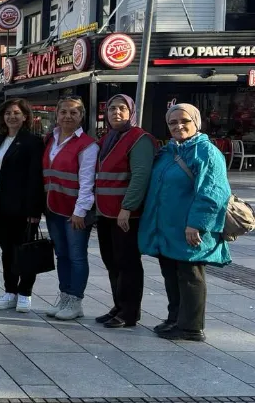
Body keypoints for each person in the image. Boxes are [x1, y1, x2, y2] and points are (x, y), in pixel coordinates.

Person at [139, 103, 231, 342]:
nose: (179, 126)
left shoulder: (206, 152)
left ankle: (191, 327)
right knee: (171, 274)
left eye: (184, 121)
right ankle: (175, 318)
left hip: (190, 229)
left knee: (190, 276)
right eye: (173, 122)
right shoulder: (169, 151)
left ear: (196, 122)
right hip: (167, 228)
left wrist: (197, 224)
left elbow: (213, 192)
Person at [94, 95, 156, 329]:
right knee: (111, 261)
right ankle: (119, 306)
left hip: (125, 214)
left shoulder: (139, 139)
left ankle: (129, 312)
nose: (116, 112)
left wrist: (127, 208)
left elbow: (140, 176)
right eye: (112, 108)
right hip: (105, 212)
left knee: (127, 263)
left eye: (122, 108)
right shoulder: (109, 137)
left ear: (131, 112)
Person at [42, 96, 99, 321]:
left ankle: (76, 301)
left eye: (74, 112)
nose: (68, 116)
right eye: (63, 112)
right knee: (62, 255)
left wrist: (80, 211)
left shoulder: (87, 145)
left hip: (74, 212)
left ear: (81, 116)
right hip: (53, 207)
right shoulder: (51, 139)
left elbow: (87, 181)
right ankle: (64, 297)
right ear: (56, 115)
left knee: (76, 256)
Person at [0, 99, 44, 312]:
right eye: (8, 113)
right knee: (7, 251)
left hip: (22, 206)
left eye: (16, 113)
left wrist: (34, 209)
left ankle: (25, 292)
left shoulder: (33, 142)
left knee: (24, 250)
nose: (12, 116)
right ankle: (10, 291)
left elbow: (35, 177)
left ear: (25, 116)